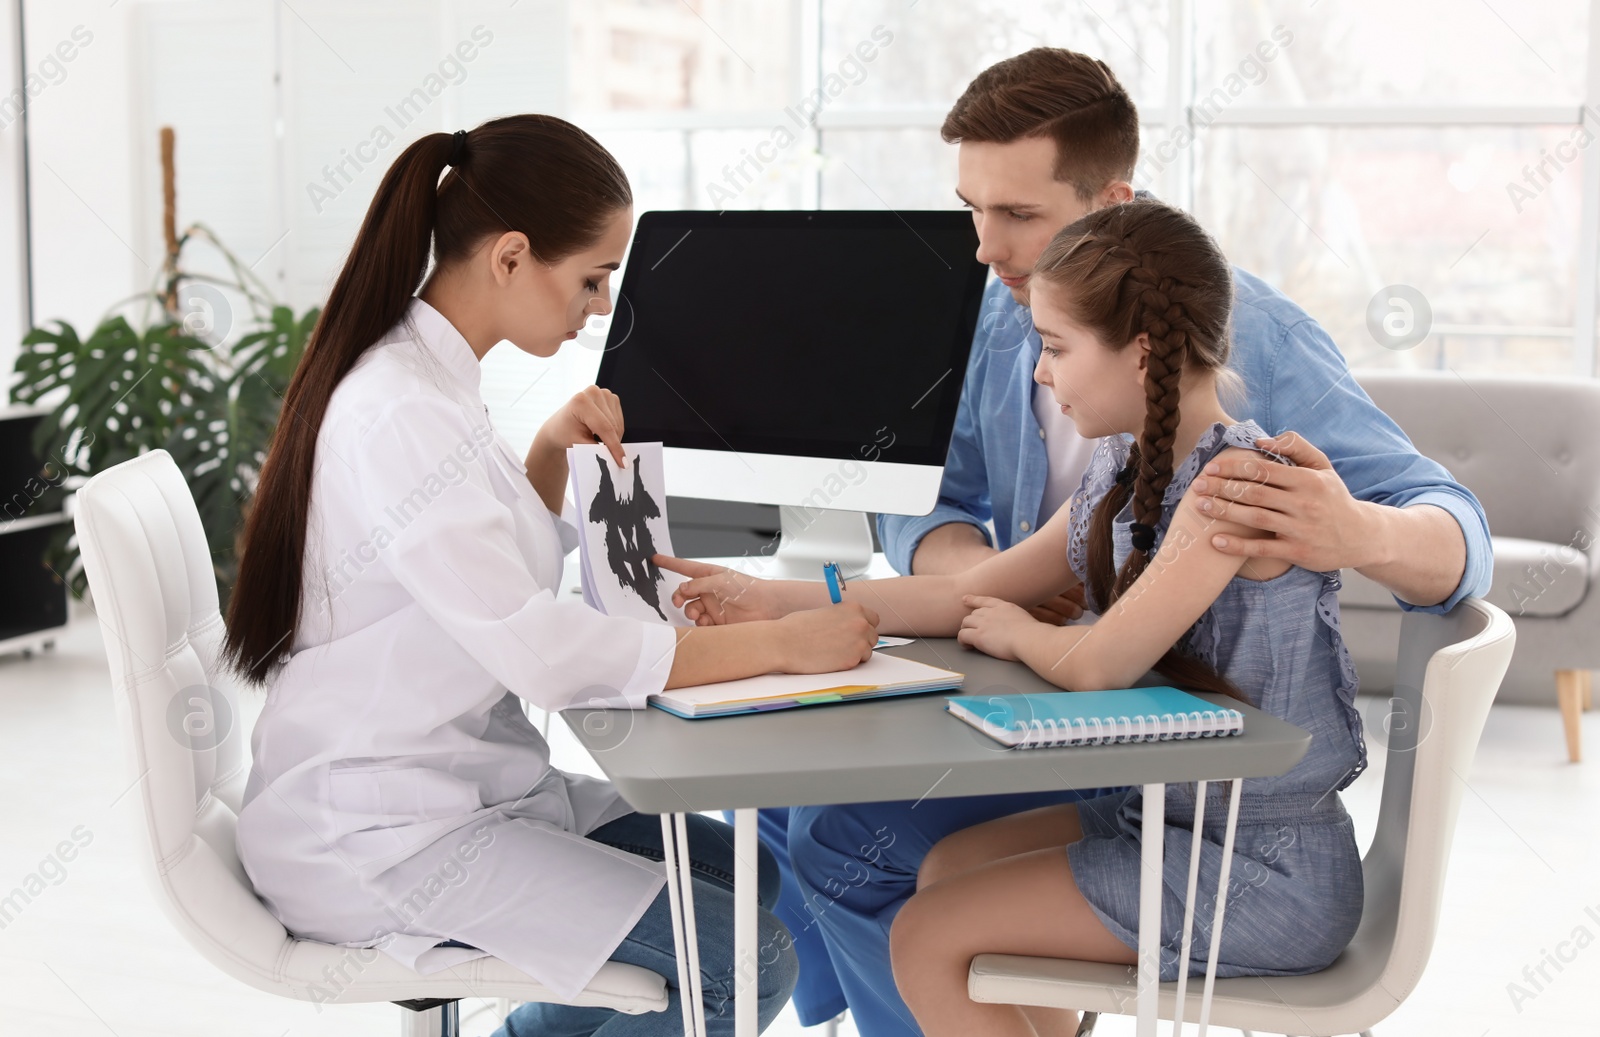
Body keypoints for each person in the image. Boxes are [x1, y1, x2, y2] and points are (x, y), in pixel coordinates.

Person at [699, 48, 1493, 1037]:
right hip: (1127, 759)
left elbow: (1450, 525)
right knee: (784, 807)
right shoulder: (1029, 346)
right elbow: (934, 503)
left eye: (1018, 217)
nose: (985, 250)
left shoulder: (1242, 403)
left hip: (1192, 786)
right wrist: (783, 599)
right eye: (972, 212)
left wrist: (1350, 529)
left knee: (848, 834)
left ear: (1109, 201)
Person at [226, 114, 882, 1036]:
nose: (602, 305)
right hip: (382, 835)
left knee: (744, 874)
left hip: (456, 787)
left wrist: (541, 457)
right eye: (591, 277)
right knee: (742, 959)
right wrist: (773, 641)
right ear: (509, 257)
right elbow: (535, 647)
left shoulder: (432, 385)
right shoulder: (400, 411)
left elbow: (474, 575)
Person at [663, 199, 1369, 1036]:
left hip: (1259, 865)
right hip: (1163, 820)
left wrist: (1020, 630)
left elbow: (1099, 661)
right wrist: (770, 599)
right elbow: (969, 590)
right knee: (946, 869)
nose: (1040, 372)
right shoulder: (1123, 463)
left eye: (1057, 347)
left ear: (1142, 355)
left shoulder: (1234, 491)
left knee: (929, 936)